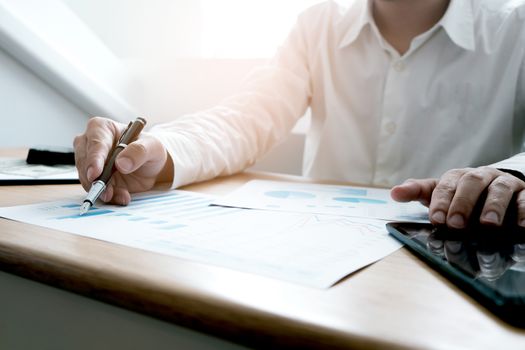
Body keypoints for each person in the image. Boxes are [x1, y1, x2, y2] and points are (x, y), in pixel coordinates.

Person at [74, 0, 525, 229]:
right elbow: (248, 117)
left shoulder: (514, 27)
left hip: (461, 273)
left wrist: (514, 176)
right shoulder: (319, 23)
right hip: (327, 267)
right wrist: (162, 152)